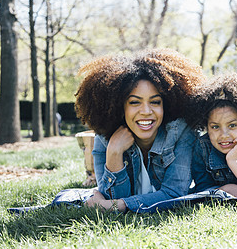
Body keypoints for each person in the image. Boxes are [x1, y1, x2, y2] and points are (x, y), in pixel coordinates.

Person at [74, 48, 206, 212]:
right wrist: (114, 153)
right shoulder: (105, 136)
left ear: (166, 104)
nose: (146, 111)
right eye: (135, 102)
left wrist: (120, 205)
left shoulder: (180, 132)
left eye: (155, 102)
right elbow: (110, 197)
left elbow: (175, 194)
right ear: (120, 107)